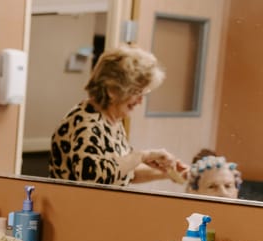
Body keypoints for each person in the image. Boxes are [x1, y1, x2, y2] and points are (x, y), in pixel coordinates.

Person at [49, 46, 189, 185]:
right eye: (136, 92)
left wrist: (169, 172)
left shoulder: (112, 122)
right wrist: (142, 156)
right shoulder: (85, 124)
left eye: (143, 93)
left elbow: (125, 172)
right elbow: (94, 177)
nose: (140, 100)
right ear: (112, 89)